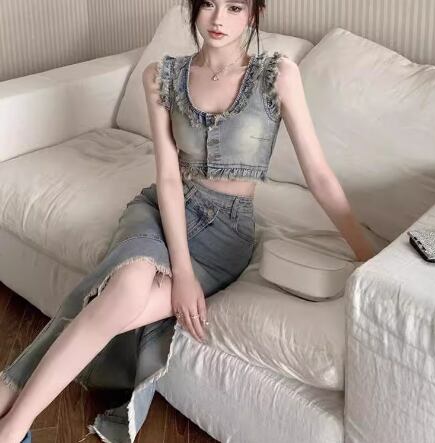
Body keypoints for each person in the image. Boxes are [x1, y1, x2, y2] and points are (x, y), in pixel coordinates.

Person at [0, 0, 376, 442]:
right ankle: (14, 428)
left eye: (234, 7)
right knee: (125, 289)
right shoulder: (162, 77)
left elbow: (319, 175)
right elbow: (167, 177)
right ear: (194, 8)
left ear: (253, 14)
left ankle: (8, 393)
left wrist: (368, 256)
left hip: (226, 236)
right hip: (161, 210)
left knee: (112, 304)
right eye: (209, 4)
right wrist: (181, 272)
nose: (218, 19)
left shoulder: (277, 75)